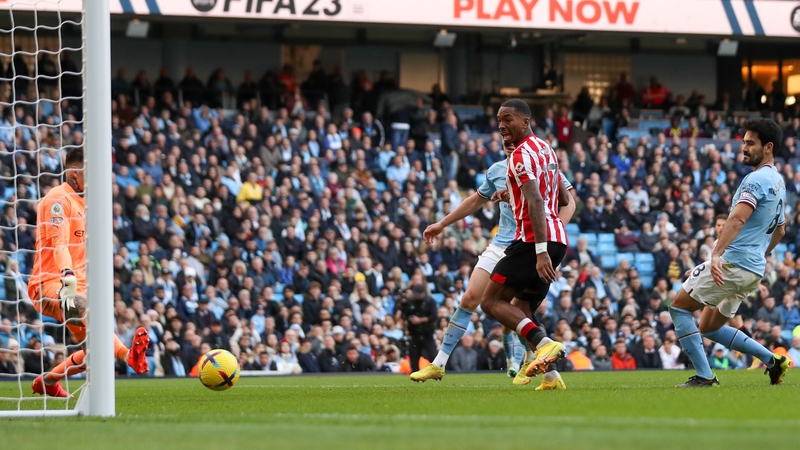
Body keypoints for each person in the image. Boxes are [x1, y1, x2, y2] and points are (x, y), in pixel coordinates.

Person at [410, 137, 575, 390]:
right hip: (501, 244)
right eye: (503, 136)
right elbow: (475, 200)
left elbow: (568, 202)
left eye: (511, 134)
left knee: (516, 308)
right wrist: (442, 223)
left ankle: (538, 361)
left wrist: (550, 232)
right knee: (469, 299)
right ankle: (439, 363)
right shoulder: (497, 170)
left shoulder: (540, 162)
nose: (508, 141)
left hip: (529, 243)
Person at [669, 119, 791, 387]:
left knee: (678, 309)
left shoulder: (756, 179)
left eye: (750, 143)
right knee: (709, 328)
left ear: (768, 147)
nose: (744, 148)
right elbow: (780, 231)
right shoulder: (779, 183)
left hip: (733, 264)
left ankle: (704, 377)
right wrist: (758, 256)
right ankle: (774, 361)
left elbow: (735, 220)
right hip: (752, 270)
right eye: (744, 142)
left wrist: (715, 258)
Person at [28, 148, 150, 398]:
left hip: (79, 285)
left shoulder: (87, 203)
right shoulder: (57, 200)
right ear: (74, 173)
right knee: (85, 309)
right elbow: (59, 244)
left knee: (95, 350)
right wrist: (69, 277)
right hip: (51, 283)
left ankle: (47, 382)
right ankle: (128, 357)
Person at [479, 99, 571, 383]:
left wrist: (540, 252)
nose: (501, 125)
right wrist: (512, 195)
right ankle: (552, 377)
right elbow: (564, 198)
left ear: (525, 121)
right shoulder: (546, 149)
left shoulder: (519, 156)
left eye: (508, 119)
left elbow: (535, 199)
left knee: (491, 302)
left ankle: (545, 345)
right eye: (499, 119)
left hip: (534, 240)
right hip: (557, 239)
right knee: (523, 308)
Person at [399, 284, 437, 373]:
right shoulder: (411, 302)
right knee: (414, 355)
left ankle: (437, 371)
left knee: (432, 354)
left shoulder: (430, 301)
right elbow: (405, 315)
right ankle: (414, 373)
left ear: (424, 293)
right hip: (414, 333)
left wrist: (420, 320)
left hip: (427, 332)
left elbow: (433, 316)